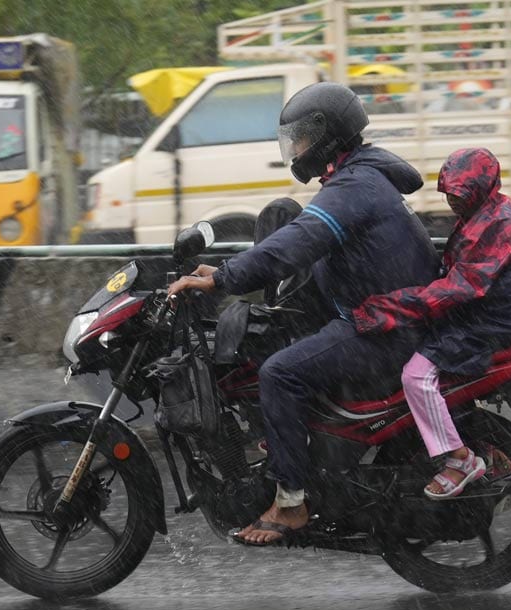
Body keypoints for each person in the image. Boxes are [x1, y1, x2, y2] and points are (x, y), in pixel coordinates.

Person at [168, 82, 438, 546]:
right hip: (378, 313)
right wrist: (229, 271)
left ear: (328, 136)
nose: (296, 149)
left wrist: (222, 279)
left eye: (302, 138)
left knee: (280, 374)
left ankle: (290, 501)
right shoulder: (359, 177)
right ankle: (297, 453)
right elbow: (297, 236)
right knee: (280, 220)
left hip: (383, 328)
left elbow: (300, 241)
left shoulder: (354, 186)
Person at [352, 147, 511, 499]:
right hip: (487, 312)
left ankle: (460, 460)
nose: (453, 201)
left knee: (416, 375)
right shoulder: (486, 213)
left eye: (460, 194)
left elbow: (459, 289)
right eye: (449, 194)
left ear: (480, 188)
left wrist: (389, 307)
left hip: (489, 323)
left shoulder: (497, 226)